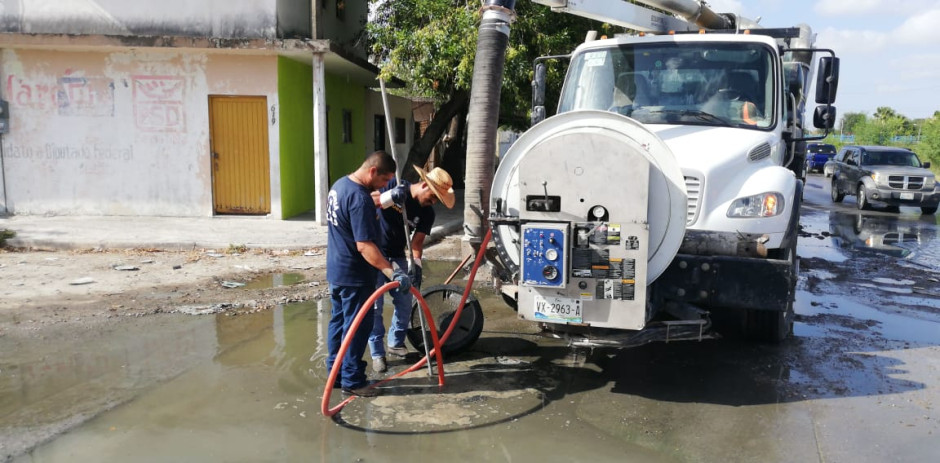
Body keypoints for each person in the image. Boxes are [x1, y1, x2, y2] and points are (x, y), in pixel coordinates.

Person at [325, 150, 412, 398]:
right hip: (355, 276)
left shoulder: (340, 185)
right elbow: (365, 245)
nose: (385, 186)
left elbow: (363, 202)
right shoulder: (359, 198)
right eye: (384, 181)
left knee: (339, 323)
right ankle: (353, 379)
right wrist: (392, 272)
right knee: (356, 327)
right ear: (373, 171)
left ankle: (336, 373)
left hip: (336, 270)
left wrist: (385, 198)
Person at [369, 165, 456, 373]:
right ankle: (377, 353)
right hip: (375, 253)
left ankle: (395, 343)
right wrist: (389, 197)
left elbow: (416, 244)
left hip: (397, 254)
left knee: (405, 300)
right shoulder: (394, 185)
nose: (433, 202)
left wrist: (416, 267)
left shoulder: (428, 214)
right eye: (433, 197)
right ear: (425, 185)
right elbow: (367, 202)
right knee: (375, 306)